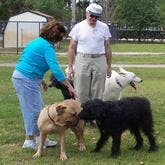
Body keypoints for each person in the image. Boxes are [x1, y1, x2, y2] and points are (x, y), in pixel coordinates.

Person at [12, 20, 77, 149]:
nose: (62, 40)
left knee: (39, 108)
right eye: (62, 37)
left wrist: (41, 80)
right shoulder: (47, 47)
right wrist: (70, 87)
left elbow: (33, 61)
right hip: (26, 79)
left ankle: (40, 138)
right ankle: (29, 141)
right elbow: (56, 70)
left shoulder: (37, 42)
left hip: (26, 78)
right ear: (56, 35)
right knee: (33, 111)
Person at [67, 3, 112, 104]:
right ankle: (82, 115)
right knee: (81, 90)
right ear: (86, 13)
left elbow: (107, 48)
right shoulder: (78, 27)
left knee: (98, 90)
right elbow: (71, 48)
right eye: (92, 15)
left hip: (99, 59)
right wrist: (70, 67)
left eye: (97, 17)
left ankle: (95, 116)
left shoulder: (104, 27)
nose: (94, 19)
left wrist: (109, 66)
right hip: (82, 59)